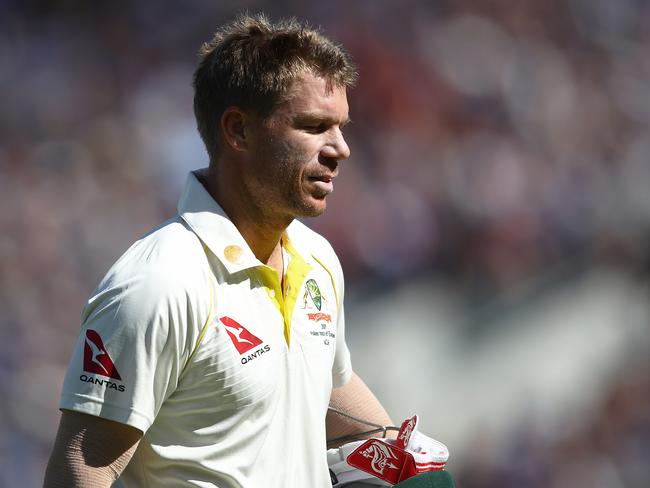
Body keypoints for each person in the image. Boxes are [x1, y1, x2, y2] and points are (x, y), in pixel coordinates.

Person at [43, 14, 394, 488]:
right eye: (314, 126)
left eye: (341, 127)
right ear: (238, 131)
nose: (341, 148)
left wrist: (406, 462)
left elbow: (323, 387)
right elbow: (83, 469)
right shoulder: (158, 284)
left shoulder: (317, 259)